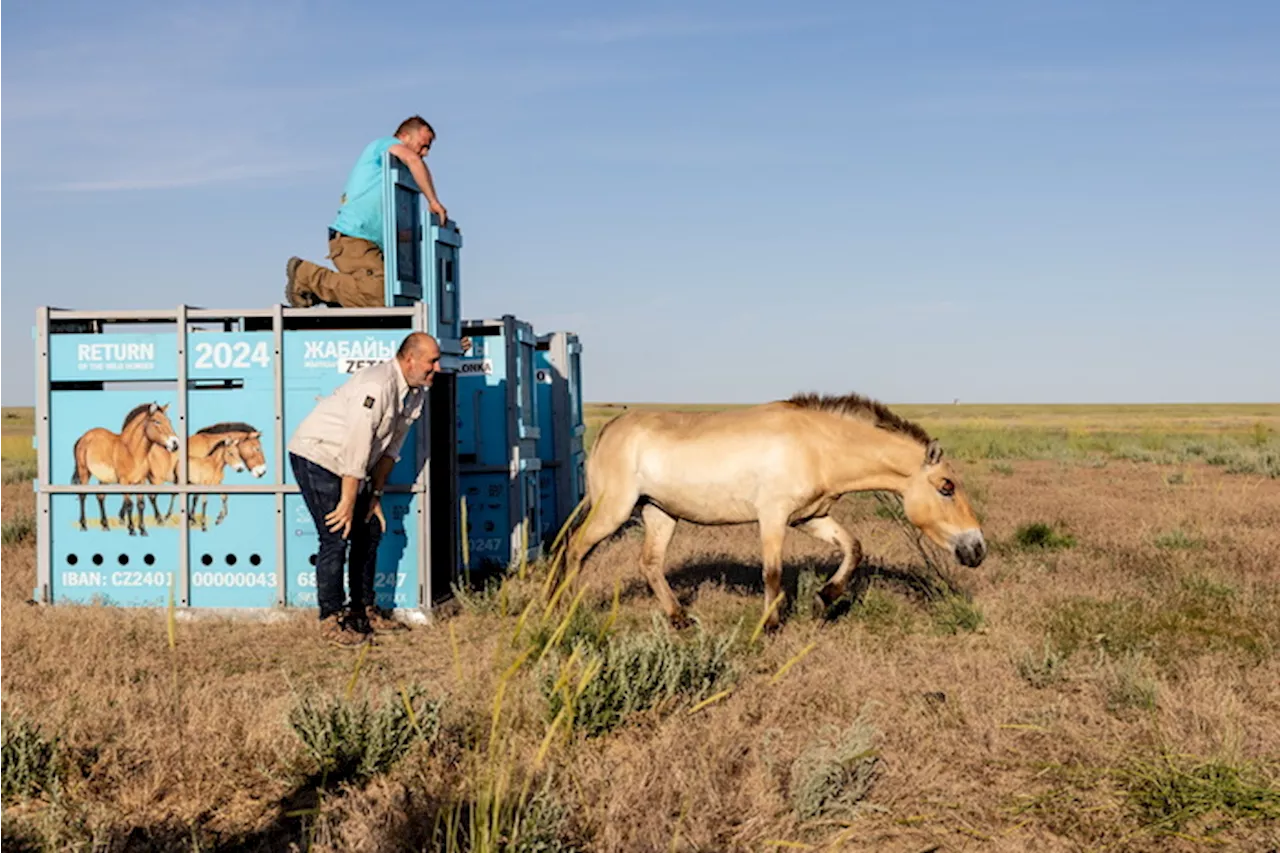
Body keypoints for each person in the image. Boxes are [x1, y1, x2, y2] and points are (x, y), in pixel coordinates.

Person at [286, 331, 442, 646]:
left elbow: (390, 450)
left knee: (368, 530)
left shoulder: (415, 391)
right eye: (432, 361)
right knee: (336, 535)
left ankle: (362, 611)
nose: (437, 368)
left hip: (350, 464)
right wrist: (347, 500)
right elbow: (356, 447)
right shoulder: (377, 385)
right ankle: (331, 619)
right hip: (319, 456)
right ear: (410, 359)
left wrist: (374, 496)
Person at [285, 115, 448, 309]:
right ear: (404, 136)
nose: (425, 153)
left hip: (373, 247)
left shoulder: (395, 183)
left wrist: (428, 233)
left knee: (397, 298)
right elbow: (412, 159)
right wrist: (433, 201)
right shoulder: (384, 146)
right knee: (380, 295)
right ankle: (307, 276)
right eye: (423, 145)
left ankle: (331, 297)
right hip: (353, 239)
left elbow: (398, 232)